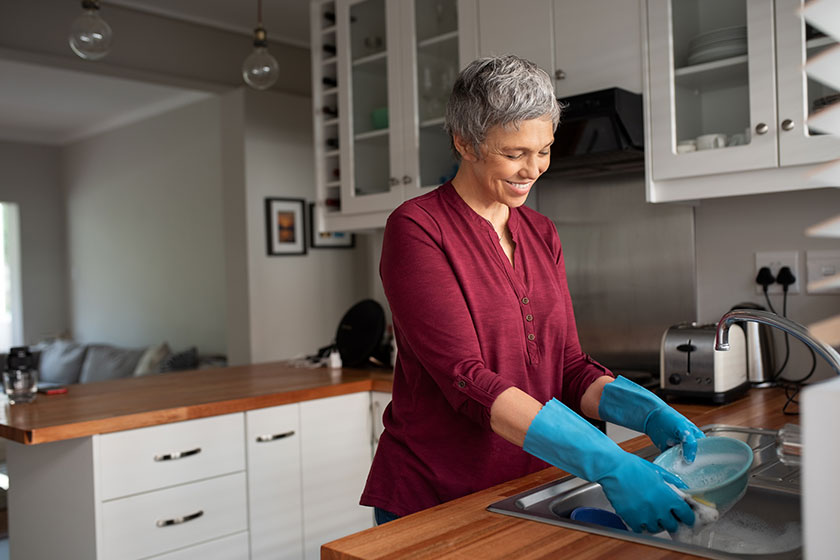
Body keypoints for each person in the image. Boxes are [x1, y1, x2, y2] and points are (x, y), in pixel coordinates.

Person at [360, 55, 704, 534]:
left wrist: (646, 411)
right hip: (436, 495)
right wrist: (610, 462)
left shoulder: (541, 232)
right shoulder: (418, 228)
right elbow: (467, 380)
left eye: (544, 150)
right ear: (465, 142)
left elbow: (566, 366)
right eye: (515, 153)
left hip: (532, 485)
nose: (534, 169)